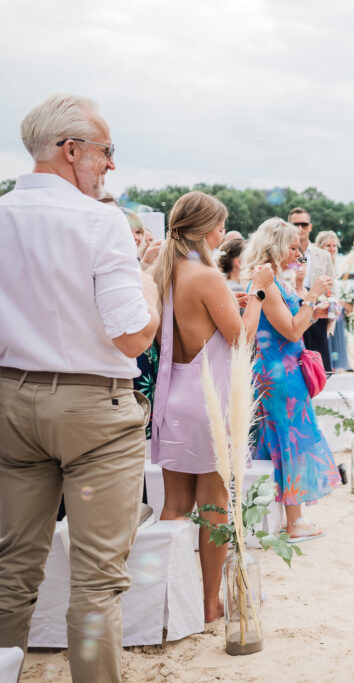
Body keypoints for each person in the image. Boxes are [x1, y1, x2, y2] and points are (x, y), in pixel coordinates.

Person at [0, 94, 159, 682]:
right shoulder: (99, 221)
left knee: (12, 566)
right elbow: (132, 338)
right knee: (96, 579)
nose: (110, 165)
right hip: (94, 409)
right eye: (105, 152)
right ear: (71, 151)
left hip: (12, 401)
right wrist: (149, 285)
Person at [149, 192, 273, 622]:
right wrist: (257, 292)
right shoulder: (207, 276)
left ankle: (167, 602)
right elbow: (241, 340)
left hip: (174, 398)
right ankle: (208, 604)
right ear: (204, 229)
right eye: (220, 225)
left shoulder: (162, 273)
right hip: (207, 401)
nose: (223, 233)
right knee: (216, 504)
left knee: (175, 505)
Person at [241, 218, 340, 540]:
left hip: (284, 371)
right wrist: (312, 295)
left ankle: (283, 517)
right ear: (275, 246)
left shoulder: (275, 282)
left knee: (284, 441)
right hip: (279, 375)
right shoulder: (267, 286)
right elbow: (293, 330)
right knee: (289, 442)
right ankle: (294, 523)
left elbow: (294, 321)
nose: (298, 252)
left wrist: (313, 307)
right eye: (293, 246)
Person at [289, 207, 335, 373]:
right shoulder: (283, 253)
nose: (300, 228)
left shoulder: (322, 255)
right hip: (291, 310)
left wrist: (330, 307)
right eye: (296, 224)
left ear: (310, 227)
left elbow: (332, 286)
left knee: (318, 365)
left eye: (304, 224)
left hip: (317, 312)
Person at [315, 230, 354, 371]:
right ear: (319, 247)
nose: (332, 249)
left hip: (336, 313)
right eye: (328, 245)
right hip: (325, 312)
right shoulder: (318, 266)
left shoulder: (334, 266)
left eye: (334, 245)